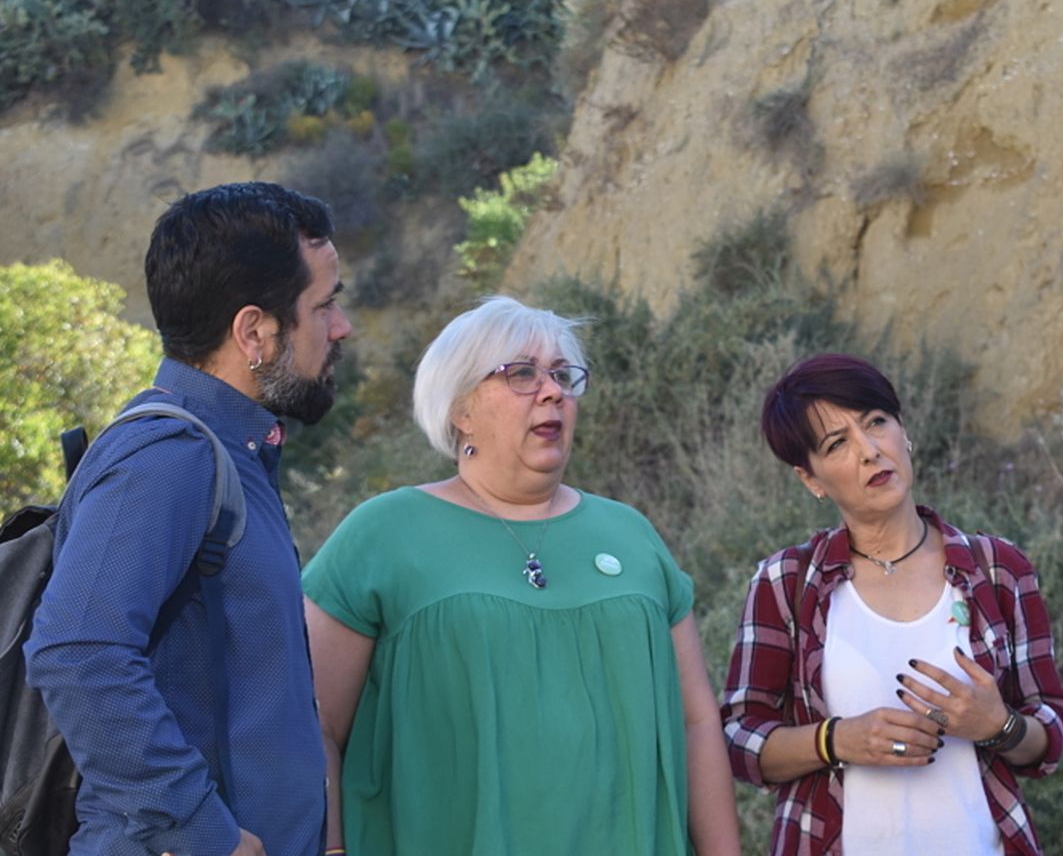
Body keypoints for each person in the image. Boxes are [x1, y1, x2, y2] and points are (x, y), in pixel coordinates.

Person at [301, 295, 741, 855]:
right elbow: (313, 724)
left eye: (562, 374)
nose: (553, 390)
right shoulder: (384, 534)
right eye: (522, 374)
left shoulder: (631, 535)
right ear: (461, 408)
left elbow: (697, 722)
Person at [25, 182, 352, 855]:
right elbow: (77, 650)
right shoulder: (169, 455)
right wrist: (208, 833)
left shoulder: (232, 450)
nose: (341, 327)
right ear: (254, 332)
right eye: (325, 305)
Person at [721, 353, 1063, 856]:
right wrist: (836, 741)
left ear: (902, 431)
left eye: (876, 423)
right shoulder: (787, 582)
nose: (869, 451)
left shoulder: (998, 570)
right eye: (837, 443)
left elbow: (1050, 738)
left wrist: (999, 726)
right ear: (811, 479)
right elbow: (739, 738)